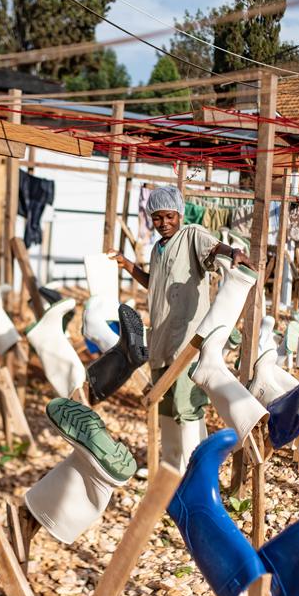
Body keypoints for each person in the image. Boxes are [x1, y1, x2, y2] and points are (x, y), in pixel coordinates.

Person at [109, 185, 252, 471]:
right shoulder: (157, 249)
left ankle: (196, 470)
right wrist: (126, 265)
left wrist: (233, 250)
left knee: (187, 407)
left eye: (169, 216)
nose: (164, 224)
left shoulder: (191, 235)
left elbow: (213, 248)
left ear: (180, 213)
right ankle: (172, 468)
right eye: (158, 218)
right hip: (161, 342)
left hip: (186, 343)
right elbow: (153, 283)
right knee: (166, 408)